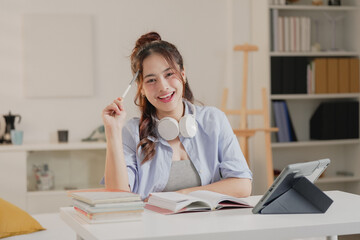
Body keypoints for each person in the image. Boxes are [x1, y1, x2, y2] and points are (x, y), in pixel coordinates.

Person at [102, 32, 252, 200]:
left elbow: (242, 185)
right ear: (141, 88)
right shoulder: (132, 132)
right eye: (151, 80)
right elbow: (117, 197)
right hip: (150, 225)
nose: (163, 87)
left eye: (169, 74)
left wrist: (183, 195)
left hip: (209, 224)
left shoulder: (213, 120)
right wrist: (112, 131)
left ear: (183, 74)